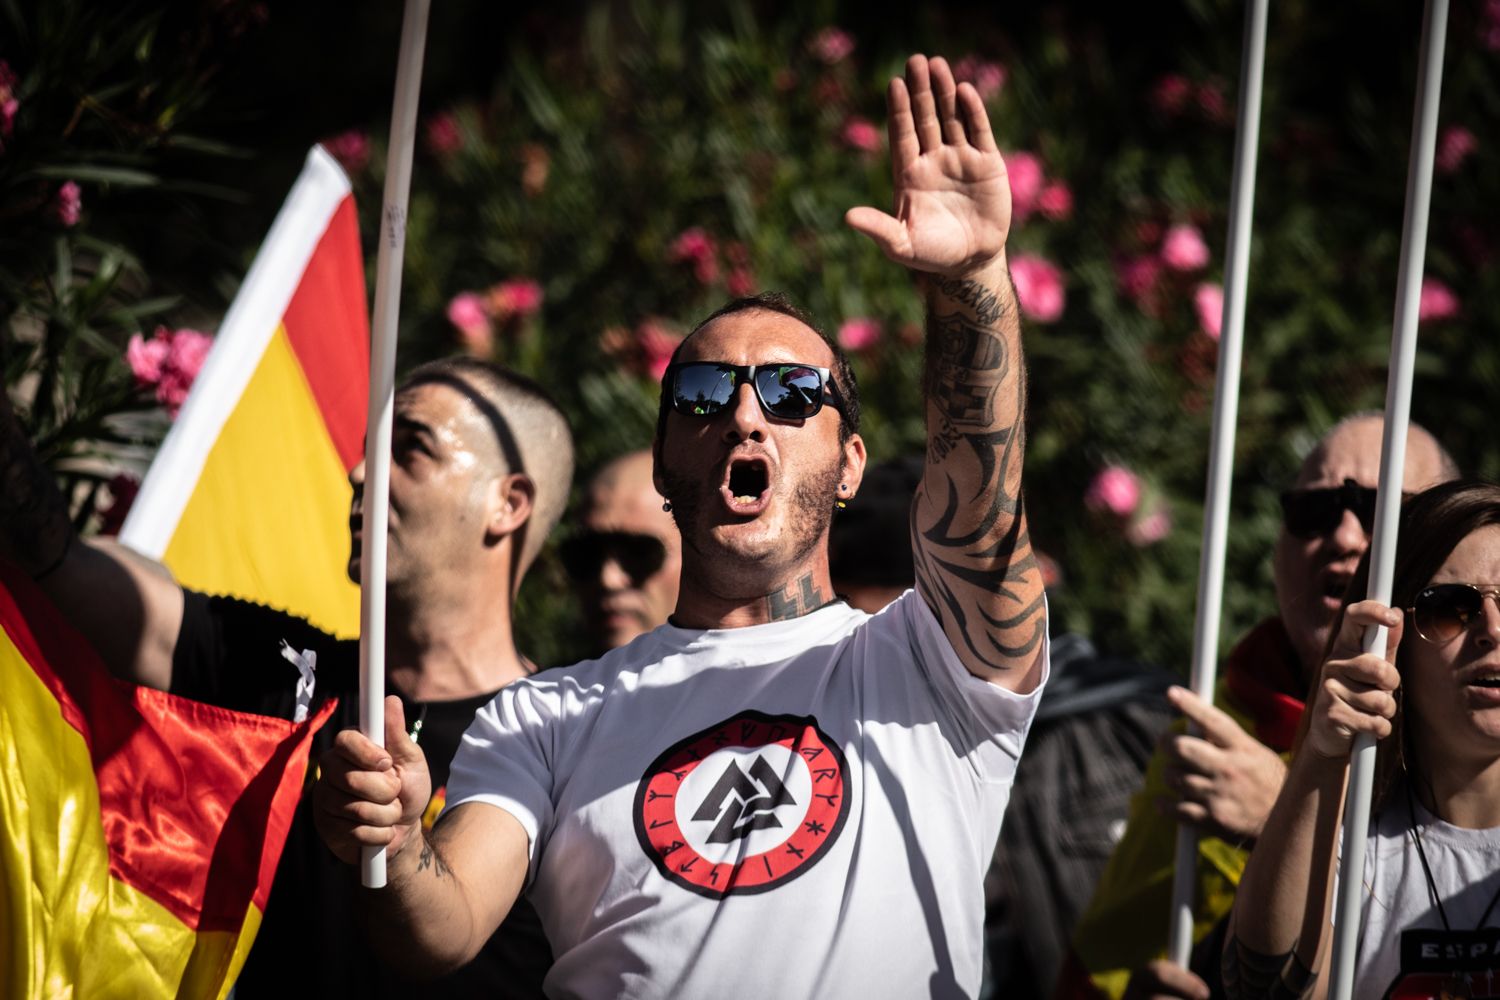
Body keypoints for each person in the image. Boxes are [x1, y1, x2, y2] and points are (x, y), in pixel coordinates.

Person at [315, 53, 1049, 997]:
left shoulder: (928, 668)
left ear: (851, 464)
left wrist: (973, 280)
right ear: (666, 461)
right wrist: (396, 845)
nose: (746, 415)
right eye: (704, 393)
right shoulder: (546, 716)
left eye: (791, 395)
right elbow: (442, 929)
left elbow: (980, 501)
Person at [0, 355, 573, 999]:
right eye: (367, 451)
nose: (361, 474)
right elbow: (62, 569)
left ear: (509, 503)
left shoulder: (565, 740)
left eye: (409, 450)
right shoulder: (291, 673)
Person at [1061, 413, 1459, 1000]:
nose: (1345, 537)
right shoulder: (1224, 715)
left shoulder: (1476, 731)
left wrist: (1283, 813)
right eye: (1313, 512)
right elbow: (1104, 964)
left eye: (1383, 511)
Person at [1226, 478, 1500, 1000]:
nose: (1492, 628)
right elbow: (1265, 990)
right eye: (1450, 608)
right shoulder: (1350, 854)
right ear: (1389, 649)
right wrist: (1320, 757)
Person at [562, 448, 681, 653]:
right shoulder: (544, 685)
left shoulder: (752, 681)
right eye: (586, 555)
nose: (608, 580)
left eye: (640, 553)